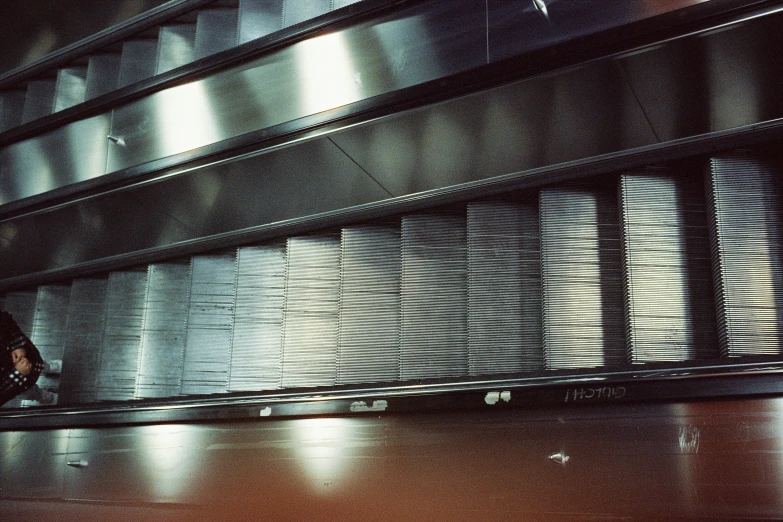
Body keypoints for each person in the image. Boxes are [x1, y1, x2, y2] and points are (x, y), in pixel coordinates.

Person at [0, 311, 57, 407]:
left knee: (37, 362)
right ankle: (42, 396)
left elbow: (5, 319)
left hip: (28, 356)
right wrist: (18, 374)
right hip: (16, 384)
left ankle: (46, 367)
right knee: (29, 392)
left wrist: (17, 345)